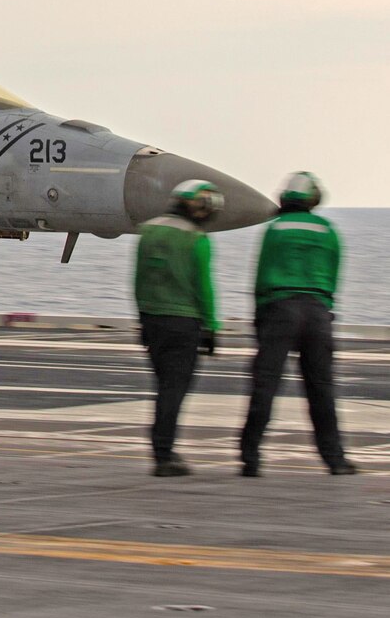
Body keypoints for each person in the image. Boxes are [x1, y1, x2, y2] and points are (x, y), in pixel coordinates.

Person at [239, 173, 357, 477]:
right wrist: (324, 309)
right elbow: (332, 276)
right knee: (321, 389)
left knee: (265, 385)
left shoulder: (275, 229)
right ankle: (335, 459)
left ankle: (250, 457)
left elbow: (261, 276)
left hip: (279, 309)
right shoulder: (328, 230)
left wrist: (260, 318)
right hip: (317, 312)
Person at [133, 179, 222, 477]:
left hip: (152, 319)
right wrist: (211, 327)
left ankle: (163, 448)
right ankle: (163, 453)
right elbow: (204, 287)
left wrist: (143, 319)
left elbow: (138, 281)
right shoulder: (196, 239)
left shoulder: (148, 230)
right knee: (174, 390)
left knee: (164, 387)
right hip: (184, 323)